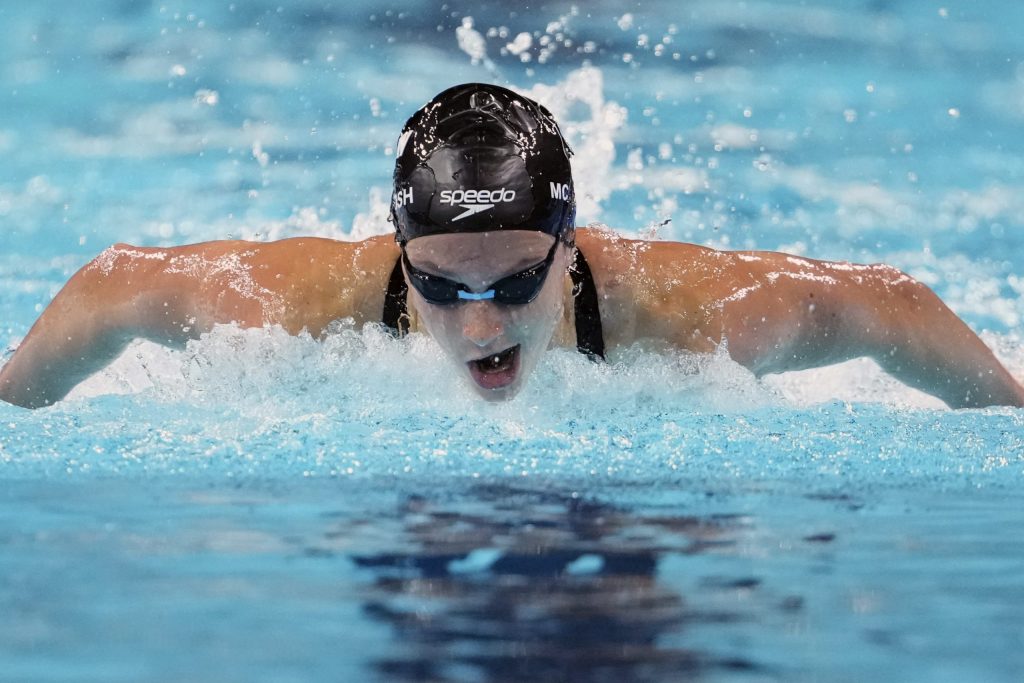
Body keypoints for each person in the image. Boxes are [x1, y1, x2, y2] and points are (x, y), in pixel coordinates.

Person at [1, 83, 1022, 410]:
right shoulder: (298, 304)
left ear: (569, 248)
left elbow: (890, 301)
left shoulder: (688, 316)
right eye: (440, 287)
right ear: (399, 256)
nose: (480, 322)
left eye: (517, 278)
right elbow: (114, 285)